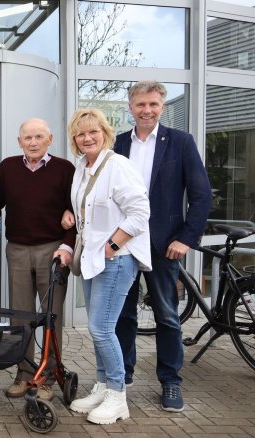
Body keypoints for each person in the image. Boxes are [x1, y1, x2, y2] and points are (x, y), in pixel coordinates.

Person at [112, 80, 212, 412]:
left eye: (153, 104)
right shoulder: (117, 144)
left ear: (162, 107)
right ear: (130, 107)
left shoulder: (181, 142)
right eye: (140, 104)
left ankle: (170, 381)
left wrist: (186, 238)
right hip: (124, 244)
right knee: (122, 315)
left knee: (167, 316)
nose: (147, 110)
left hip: (163, 245)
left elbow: (201, 196)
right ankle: (122, 378)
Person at [0, 118, 75, 402]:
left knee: (51, 317)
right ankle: (24, 373)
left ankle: (48, 378)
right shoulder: (8, 167)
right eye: (27, 138)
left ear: (50, 138)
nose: (32, 143)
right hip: (16, 249)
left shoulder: (64, 169)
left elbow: (77, 211)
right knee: (20, 317)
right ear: (19, 141)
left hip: (52, 250)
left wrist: (67, 245)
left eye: (38, 137)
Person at [64, 108, 151, 425]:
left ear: (105, 133)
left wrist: (113, 246)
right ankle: (102, 386)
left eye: (93, 131)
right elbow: (87, 205)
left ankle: (118, 396)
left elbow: (140, 214)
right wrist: (71, 216)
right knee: (99, 328)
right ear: (75, 139)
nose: (87, 137)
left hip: (116, 259)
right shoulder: (83, 167)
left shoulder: (118, 166)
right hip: (91, 259)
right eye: (81, 133)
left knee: (101, 329)